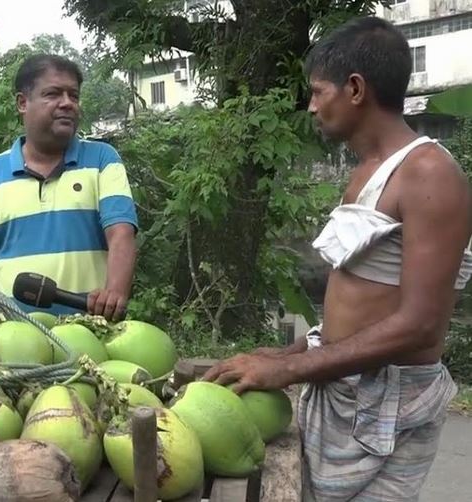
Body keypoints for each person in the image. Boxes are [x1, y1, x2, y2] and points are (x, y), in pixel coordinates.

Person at [202, 17, 470, 502]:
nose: (311, 106)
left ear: (354, 89)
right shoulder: (369, 173)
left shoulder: (429, 173)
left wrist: (291, 372)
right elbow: (361, 309)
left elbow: (421, 326)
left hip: (386, 407)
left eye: (317, 91)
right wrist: (286, 354)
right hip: (344, 396)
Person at [0, 54, 138, 320]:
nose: (67, 103)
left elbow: (121, 233)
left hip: (91, 331)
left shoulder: (102, 160)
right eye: (53, 94)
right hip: (13, 339)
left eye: (73, 96)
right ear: (22, 103)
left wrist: (114, 294)